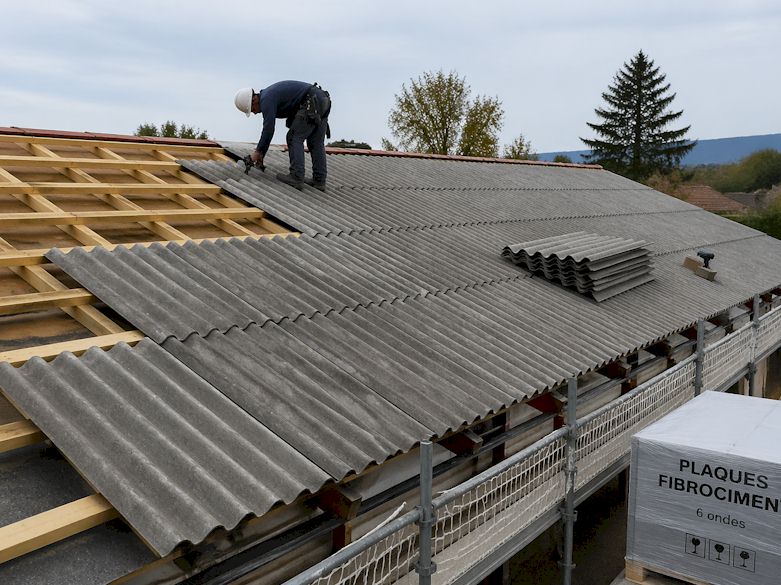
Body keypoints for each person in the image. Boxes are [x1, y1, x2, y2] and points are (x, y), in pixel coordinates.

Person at [234, 81, 331, 191]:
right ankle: (319, 181)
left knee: (293, 138)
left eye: (252, 110)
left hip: (311, 102)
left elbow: (268, 129)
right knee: (315, 142)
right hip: (322, 99)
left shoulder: (266, 99)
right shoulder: (269, 95)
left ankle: (296, 177)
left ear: (254, 100)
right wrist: (262, 154)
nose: (255, 113)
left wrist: (258, 152)